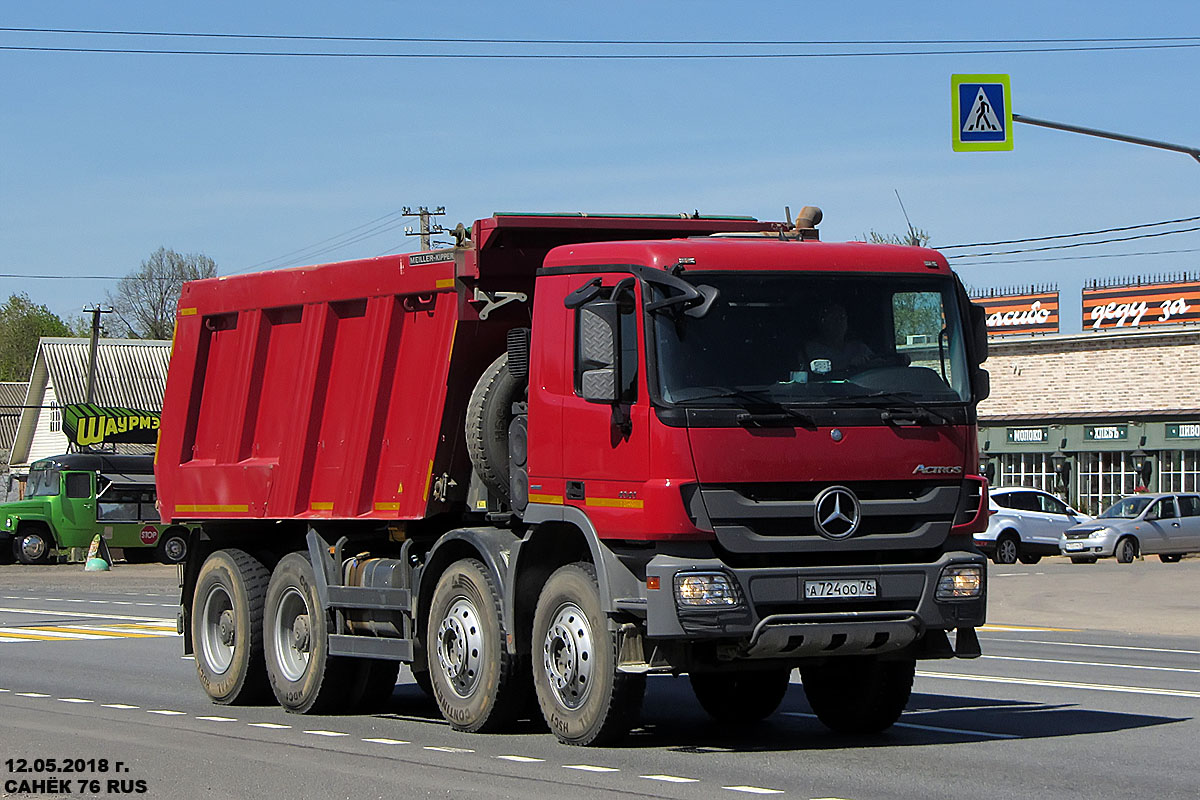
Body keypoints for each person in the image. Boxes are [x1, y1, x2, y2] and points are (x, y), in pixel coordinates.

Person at [799, 301, 875, 374]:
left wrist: (869, 363)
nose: (838, 322)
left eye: (842, 317)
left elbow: (879, 364)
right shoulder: (812, 349)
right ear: (823, 322)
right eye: (833, 318)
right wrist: (849, 365)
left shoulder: (858, 348)